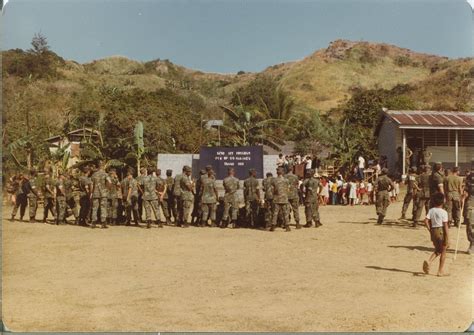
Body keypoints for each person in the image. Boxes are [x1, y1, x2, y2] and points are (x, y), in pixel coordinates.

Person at [422, 192, 449, 276]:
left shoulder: (431, 210)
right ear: (443, 201)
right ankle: (440, 271)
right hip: (441, 231)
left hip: (433, 231)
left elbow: (426, 220)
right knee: (444, 250)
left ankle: (429, 261)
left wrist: (430, 230)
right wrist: (448, 238)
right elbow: (445, 226)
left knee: (438, 249)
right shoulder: (444, 212)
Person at [90, 161, 111, 229]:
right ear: (102, 166)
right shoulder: (105, 174)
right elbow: (109, 182)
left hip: (95, 193)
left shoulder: (94, 175)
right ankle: (103, 223)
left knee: (95, 208)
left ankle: (93, 223)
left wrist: (91, 193)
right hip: (103, 193)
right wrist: (107, 189)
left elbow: (91, 185)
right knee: (103, 207)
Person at [269, 166, 291, 232]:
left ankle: (273, 226)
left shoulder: (274, 180)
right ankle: (287, 227)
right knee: (285, 213)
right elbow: (288, 189)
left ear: (277, 172)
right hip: (284, 198)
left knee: (275, 213)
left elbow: (272, 190)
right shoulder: (286, 180)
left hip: (276, 198)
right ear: (283, 172)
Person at [463, 168, 474, 254]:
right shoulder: (470, 176)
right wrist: (464, 194)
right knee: (470, 223)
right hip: (471, 200)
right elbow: (466, 189)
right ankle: (472, 244)